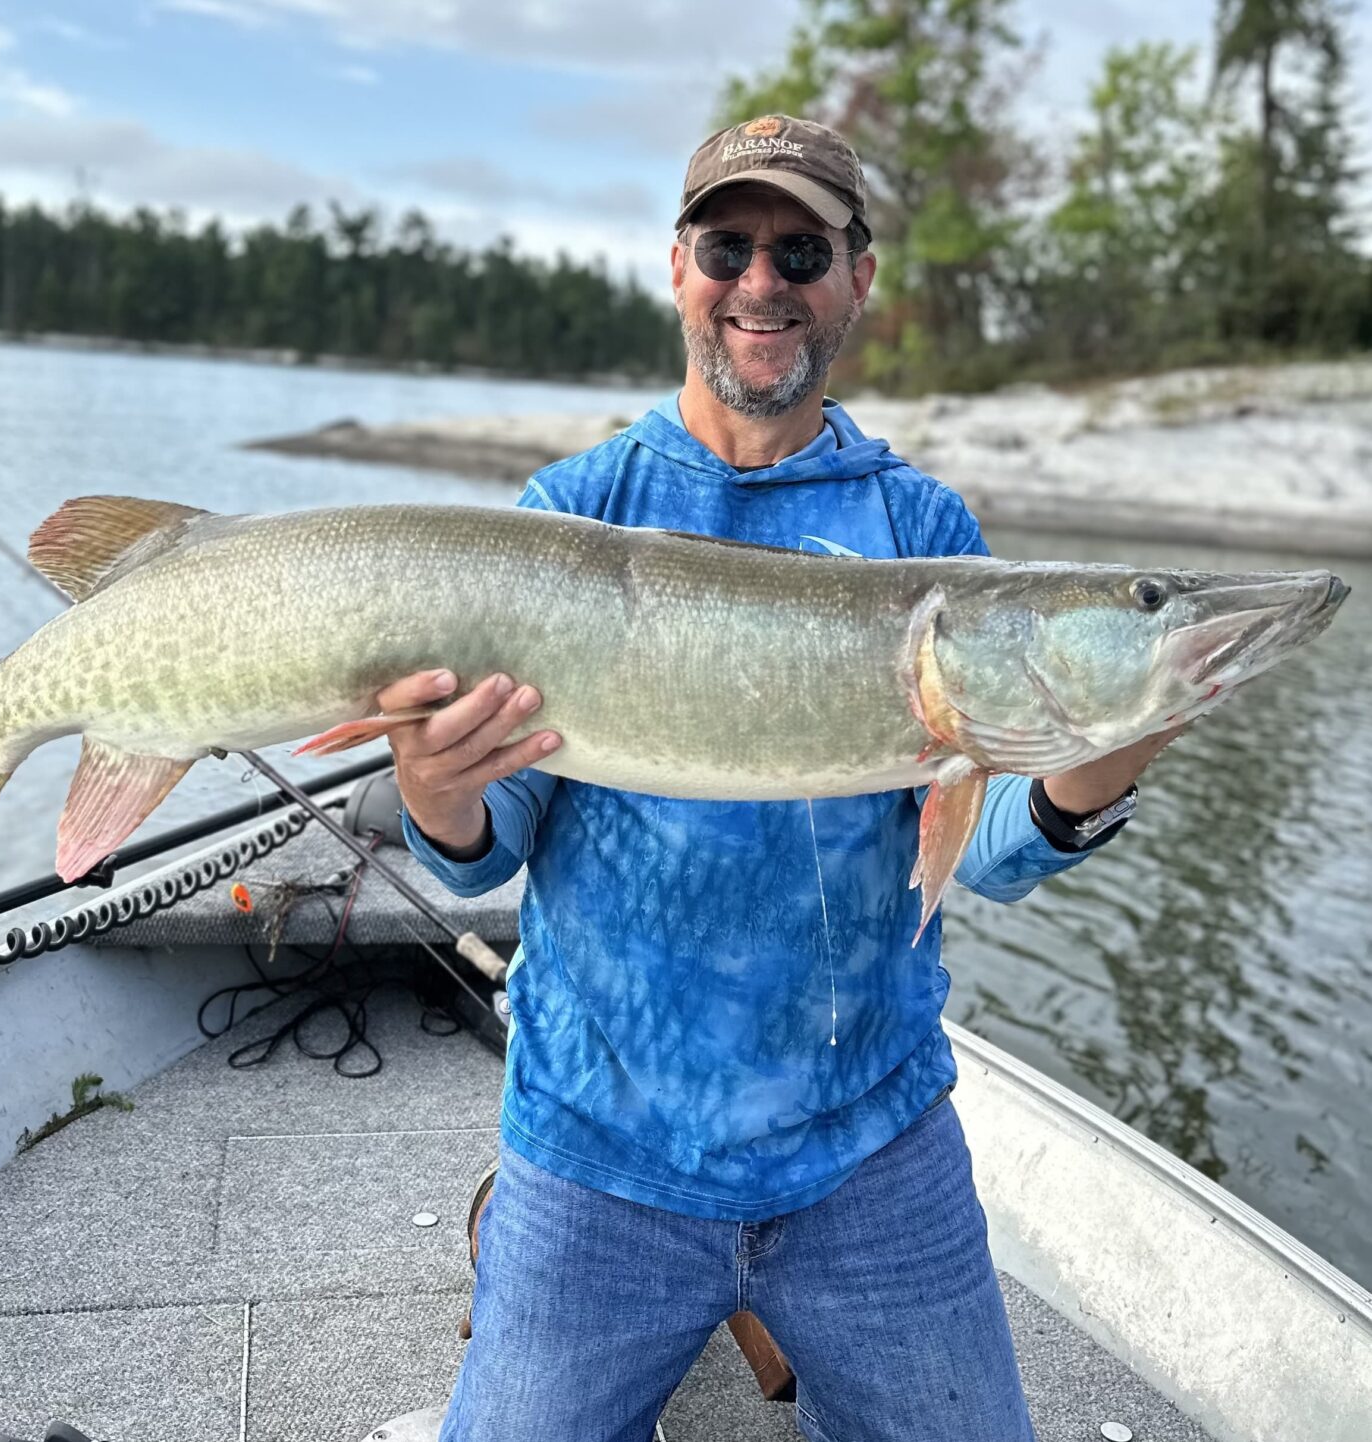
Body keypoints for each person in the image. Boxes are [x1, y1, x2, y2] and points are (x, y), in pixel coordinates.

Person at [373, 115, 1179, 1442]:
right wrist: (440, 786)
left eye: (801, 250)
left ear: (858, 277)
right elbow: (485, 844)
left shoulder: (921, 531)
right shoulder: (570, 507)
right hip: (598, 1144)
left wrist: (1098, 763)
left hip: (871, 1148)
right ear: (679, 267)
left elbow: (980, 854)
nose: (763, 283)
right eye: (729, 246)